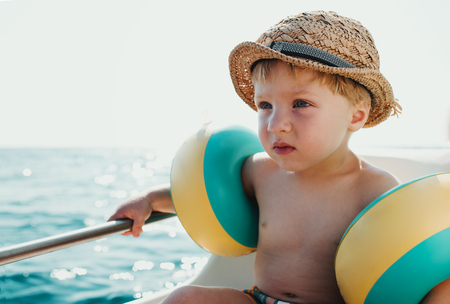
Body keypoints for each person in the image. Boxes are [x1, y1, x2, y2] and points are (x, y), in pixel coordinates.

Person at [109, 11, 448, 304]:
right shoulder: (260, 172)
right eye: (265, 105)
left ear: (356, 117)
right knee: (185, 297)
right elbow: (204, 201)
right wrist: (150, 200)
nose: (276, 124)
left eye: (301, 104)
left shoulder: (373, 188)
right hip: (258, 298)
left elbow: (409, 256)